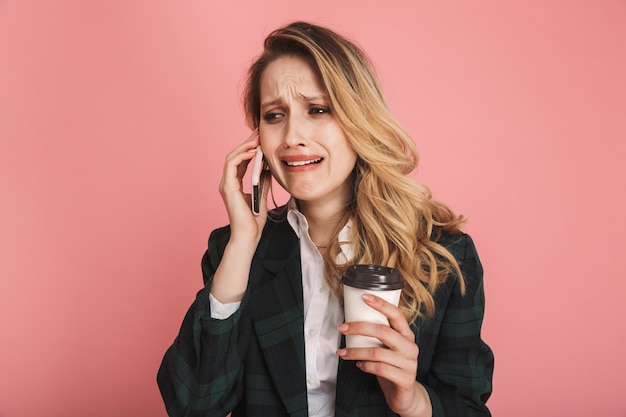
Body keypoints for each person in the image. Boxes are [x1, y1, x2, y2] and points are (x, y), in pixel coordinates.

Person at [157, 21, 494, 417]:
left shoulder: (443, 256)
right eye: (274, 115)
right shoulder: (234, 252)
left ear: (358, 120)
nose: (292, 136)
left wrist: (414, 400)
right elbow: (192, 406)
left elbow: (468, 407)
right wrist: (243, 242)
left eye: (318, 110)